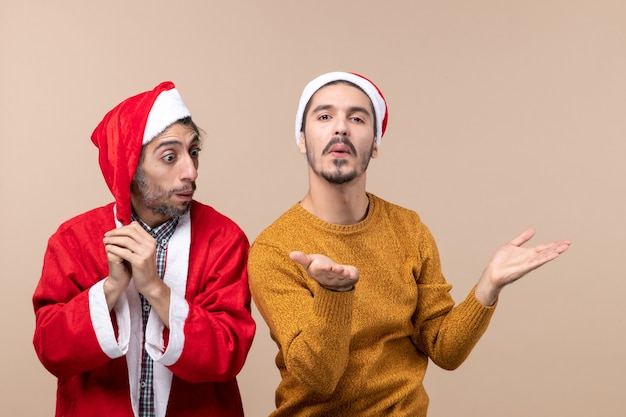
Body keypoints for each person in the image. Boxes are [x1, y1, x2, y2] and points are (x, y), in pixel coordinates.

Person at [247, 71, 571, 417]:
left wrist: (487, 287)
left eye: (357, 118)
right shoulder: (275, 249)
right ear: (301, 139)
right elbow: (318, 379)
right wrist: (334, 295)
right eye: (324, 116)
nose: (340, 128)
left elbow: (444, 349)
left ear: (375, 143)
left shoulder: (408, 229)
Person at [33, 81, 256, 417]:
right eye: (170, 157)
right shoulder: (73, 240)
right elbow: (53, 350)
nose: (191, 171)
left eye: (193, 152)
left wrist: (154, 288)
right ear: (130, 168)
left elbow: (227, 354)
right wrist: (110, 288)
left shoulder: (223, 239)